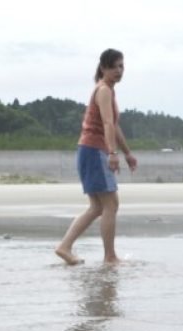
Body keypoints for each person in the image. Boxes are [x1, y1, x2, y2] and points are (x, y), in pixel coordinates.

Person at [55, 49, 138, 266]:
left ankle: (64, 247)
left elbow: (115, 125)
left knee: (99, 207)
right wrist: (112, 153)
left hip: (92, 151)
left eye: (122, 66)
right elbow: (107, 124)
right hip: (94, 152)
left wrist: (127, 153)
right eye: (115, 66)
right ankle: (109, 257)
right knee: (110, 205)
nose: (119, 71)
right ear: (103, 67)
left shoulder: (108, 90)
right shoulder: (103, 90)